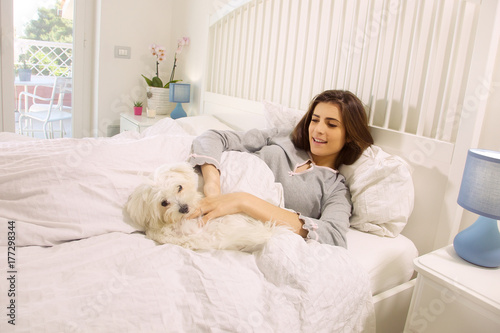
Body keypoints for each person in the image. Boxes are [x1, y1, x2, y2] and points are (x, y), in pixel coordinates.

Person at [187, 90, 374, 247]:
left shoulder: (335, 188)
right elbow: (211, 138)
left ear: (349, 135)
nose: (318, 130)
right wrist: (212, 187)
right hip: (203, 186)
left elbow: (333, 234)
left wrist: (242, 201)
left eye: (331, 124)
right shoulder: (284, 136)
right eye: (315, 120)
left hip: (228, 226)